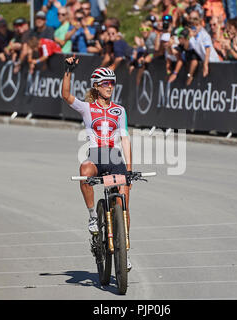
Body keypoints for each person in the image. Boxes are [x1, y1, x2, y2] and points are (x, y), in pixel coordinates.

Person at [61, 57, 133, 271]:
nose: (109, 86)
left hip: (115, 157)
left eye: (111, 83)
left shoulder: (119, 110)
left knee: (124, 206)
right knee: (84, 170)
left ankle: (125, 251)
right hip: (96, 156)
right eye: (105, 83)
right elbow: (65, 95)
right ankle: (93, 216)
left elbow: (125, 138)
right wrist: (68, 71)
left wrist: (128, 170)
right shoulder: (86, 108)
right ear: (96, 86)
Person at [186, 9, 220, 85]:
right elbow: (187, 47)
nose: (192, 22)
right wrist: (187, 38)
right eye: (190, 19)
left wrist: (205, 65)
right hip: (206, 63)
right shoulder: (192, 37)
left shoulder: (204, 34)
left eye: (195, 19)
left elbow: (207, 49)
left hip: (213, 62)